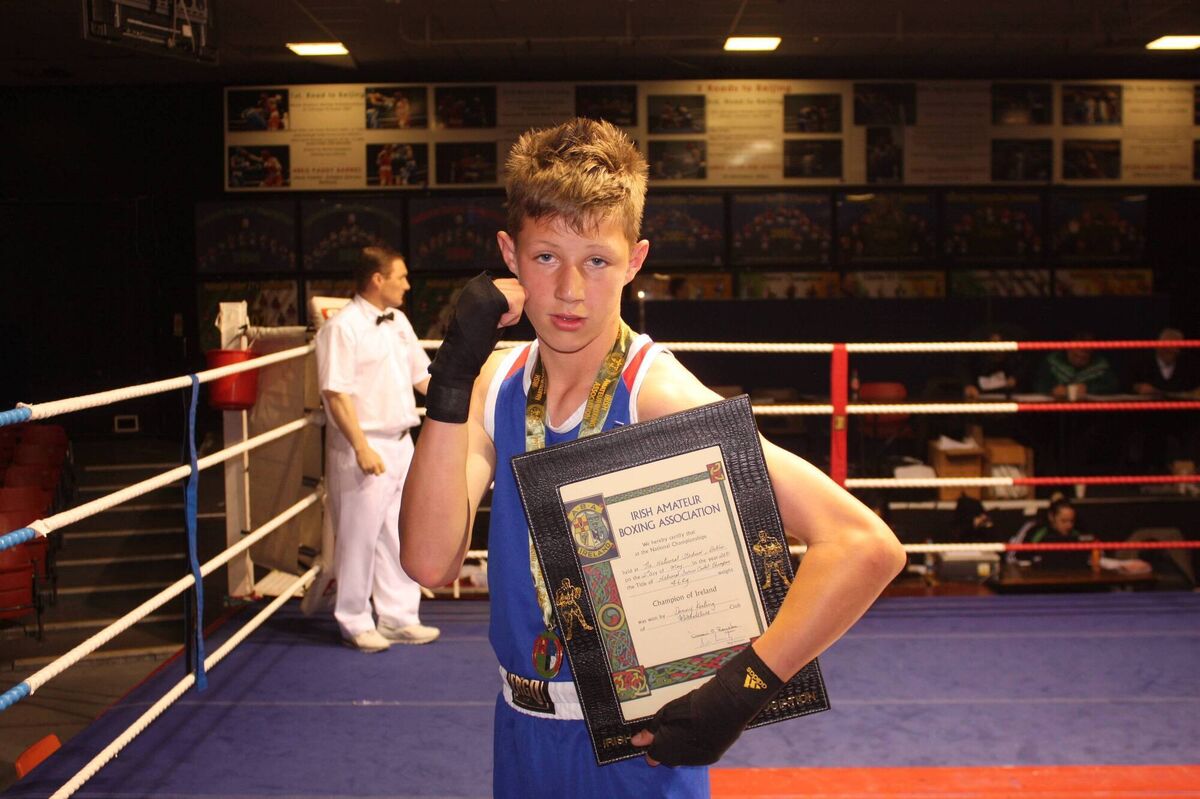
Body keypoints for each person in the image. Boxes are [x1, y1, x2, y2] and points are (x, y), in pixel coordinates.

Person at [399, 118, 905, 798]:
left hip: (636, 753)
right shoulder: (495, 386)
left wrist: (737, 693)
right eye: (546, 257)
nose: (571, 289)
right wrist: (453, 378)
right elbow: (429, 562)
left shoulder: (654, 394)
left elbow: (862, 544)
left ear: (635, 260)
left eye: (597, 261)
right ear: (509, 255)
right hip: (519, 730)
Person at [316, 246, 440, 653]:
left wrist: (470, 400)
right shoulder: (342, 328)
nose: (407, 285)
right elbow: (335, 393)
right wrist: (361, 447)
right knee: (358, 537)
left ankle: (399, 617)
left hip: (402, 442)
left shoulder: (398, 321)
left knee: (399, 533)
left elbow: (423, 377)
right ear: (377, 279)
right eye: (401, 276)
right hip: (363, 445)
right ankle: (353, 619)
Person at [1032, 333, 1119, 400]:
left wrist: (1089, 388)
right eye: (1075, 355)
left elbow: (1113, 386)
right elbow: (1038, 384)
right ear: (1068, 349)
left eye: (1084, 357)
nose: (1079, 359)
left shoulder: (1099, 364)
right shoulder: (1053, 361)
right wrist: (1052, 390)